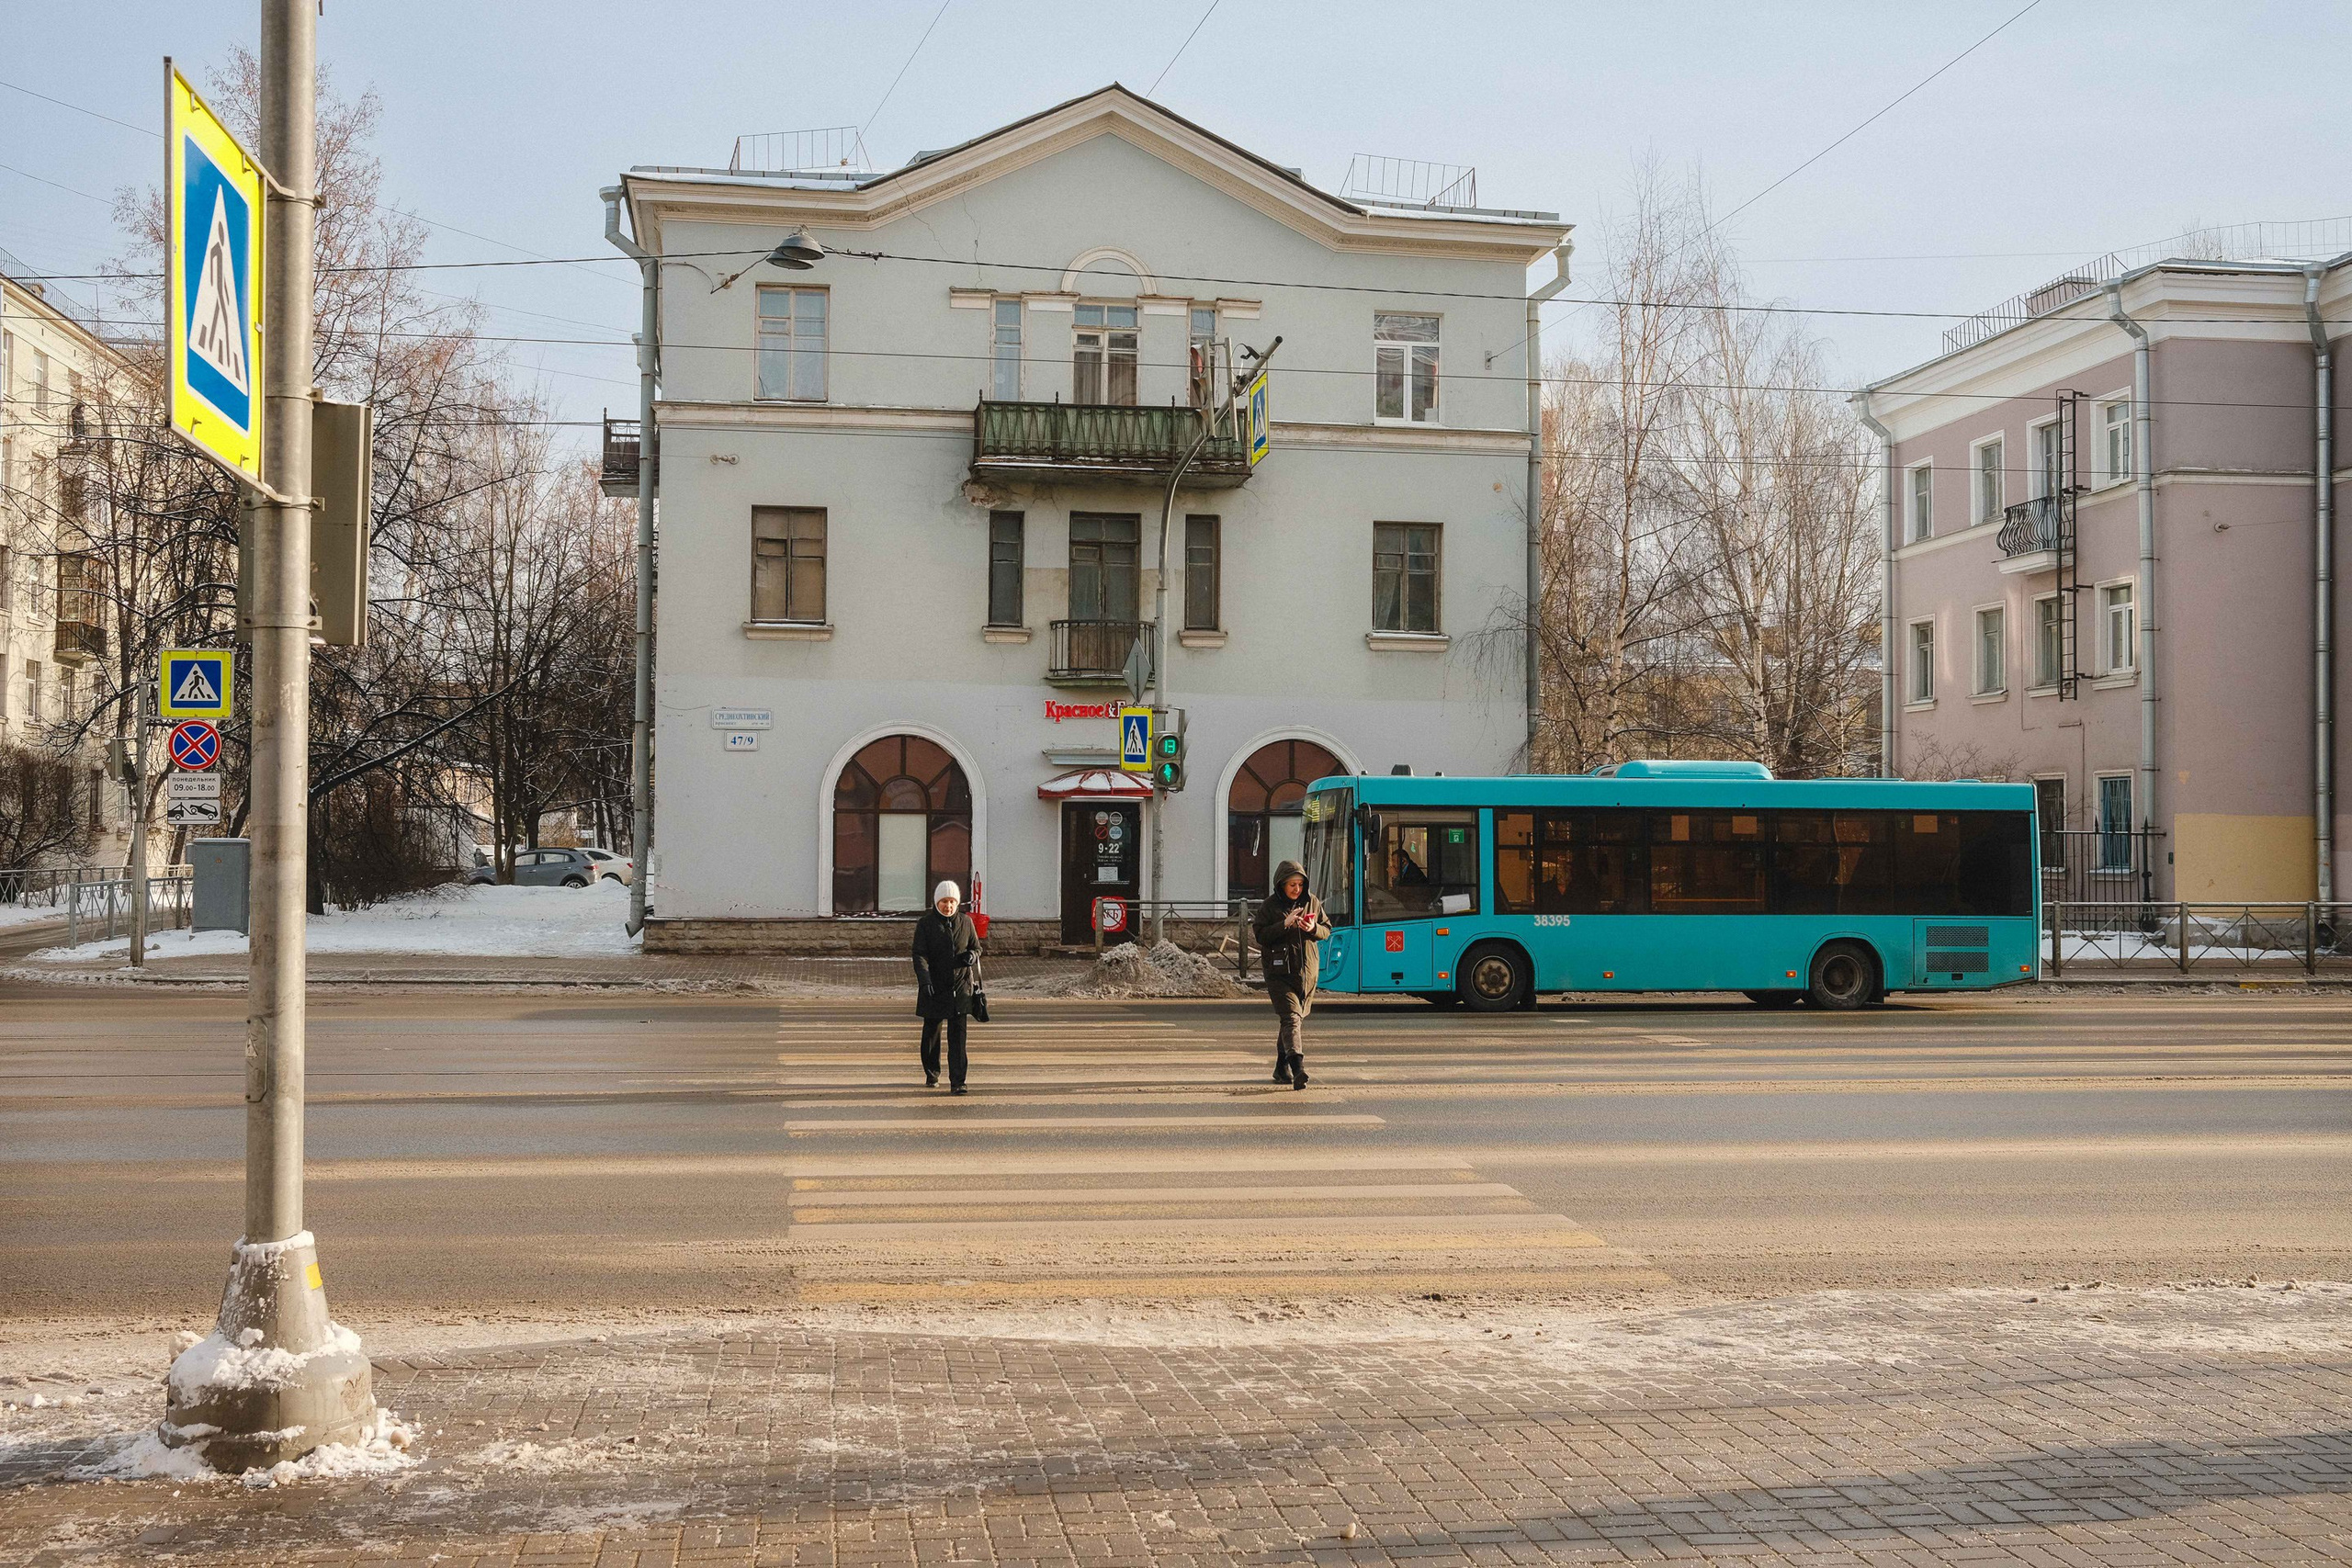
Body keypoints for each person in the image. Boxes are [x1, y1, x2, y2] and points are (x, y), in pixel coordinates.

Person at [1251, 859, 1329, 1089]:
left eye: (1300, 885)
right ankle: (1298, 1069)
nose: (1297, 889)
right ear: (1281, 885)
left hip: (1306, 973)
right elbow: (1260, 935)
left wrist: (1313, 929)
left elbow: (1327, 929)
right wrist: (1283, 924)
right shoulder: (1270, 906)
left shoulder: (1311, 902)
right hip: (1279, 973)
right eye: (1291, 885)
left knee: (1291, 1020)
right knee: (1291, 1018)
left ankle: (1280, 1067)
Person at [911, 879, 981, 1093]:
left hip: (960, 988)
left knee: (958, 1038)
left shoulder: (966, 922)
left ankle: (958, 1081)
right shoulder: (926, 924)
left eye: (951, 901)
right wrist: (925, 981)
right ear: (936, 902)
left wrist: (972, 954)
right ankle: (932, 1072)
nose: (948, 906)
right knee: (931, 1034)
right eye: (944, 901)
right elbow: (919, 954)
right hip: (934, 986)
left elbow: (977, 947)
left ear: (957, 902)